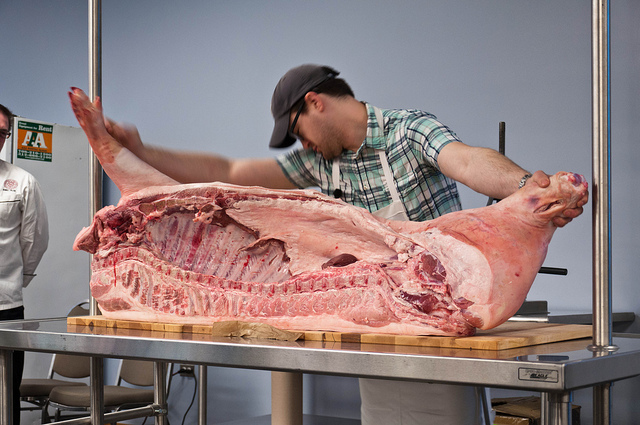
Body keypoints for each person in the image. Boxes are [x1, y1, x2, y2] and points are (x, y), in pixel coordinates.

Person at [93, 65, 586, 424]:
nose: (300, 145)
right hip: (381, 326)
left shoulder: (406, 130)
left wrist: (526, 188)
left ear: (314, 102)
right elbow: (229, 174)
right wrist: (140, 150)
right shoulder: (324, 163)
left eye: (296, 132)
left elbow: (467, 161)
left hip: (439, 320)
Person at [0, 104, 49, 425]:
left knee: (4, 398)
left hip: (5, 307)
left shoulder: (22, 182)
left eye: (1, 132)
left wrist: (16, 279)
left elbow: (35, 240)